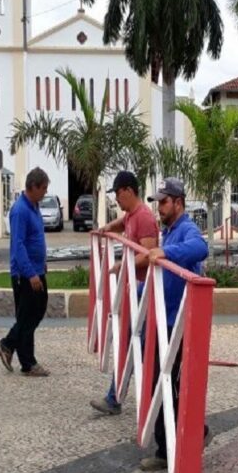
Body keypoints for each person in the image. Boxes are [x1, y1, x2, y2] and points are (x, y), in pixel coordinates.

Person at [137, 177, 210, 472]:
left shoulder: (186, 230)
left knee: (168, 384)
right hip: (162, 321)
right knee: (160, 383)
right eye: (157, 202)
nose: (159, 208)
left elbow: (200, 248)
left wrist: (167, 252)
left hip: (176, 325)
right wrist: (137, 295)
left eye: (164, 202)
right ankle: (177, 441)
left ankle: (176, 446)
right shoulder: (169, 231)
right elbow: (163, 280)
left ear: (179, 203)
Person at [90, 171, 160, 415]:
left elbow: (149, 253)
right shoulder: (132, 215)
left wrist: (124, 264)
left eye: (118, 195)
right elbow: (123, 222)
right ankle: (121, 397)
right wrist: (108, 227)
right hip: (134, 292)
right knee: (133, 346)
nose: (117, 201)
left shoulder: (145, 218)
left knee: (134, 345)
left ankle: (118, 398)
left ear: (128, 191)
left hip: (144, 292)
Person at [0, 168, 50, 377]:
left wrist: (41, 264)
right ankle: (10, 346)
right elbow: (18, 245)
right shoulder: (20, 210)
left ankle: (24, 359)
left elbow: (35, 239)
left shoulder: (34, 206)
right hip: (25, 274)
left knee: (33, 313)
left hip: (36, 269)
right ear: (33, 187)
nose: (45, 192)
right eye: (43, 188)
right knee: (29, 315)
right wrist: (30, 273)